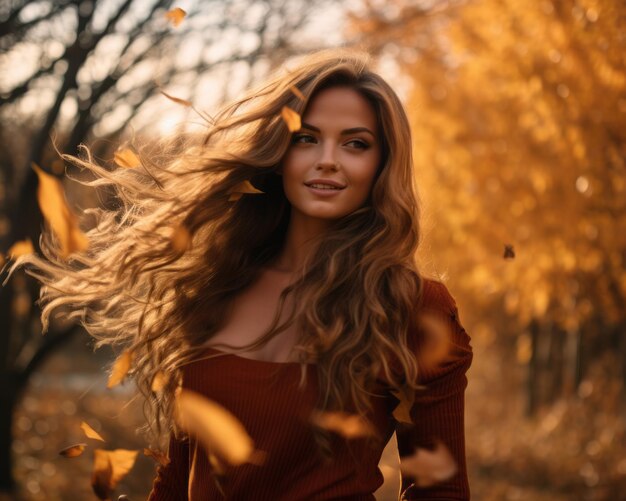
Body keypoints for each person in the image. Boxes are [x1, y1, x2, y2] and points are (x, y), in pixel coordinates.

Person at [8, 48, 473, 500]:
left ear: (382, 164)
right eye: (306, 138)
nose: (327, 158)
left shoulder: (410, 306)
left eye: (355, 144)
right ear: (279, 151)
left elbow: (441, 491)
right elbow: (178, 477)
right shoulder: (217, 283)